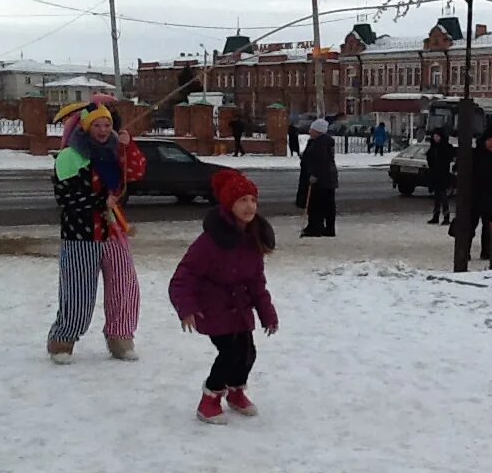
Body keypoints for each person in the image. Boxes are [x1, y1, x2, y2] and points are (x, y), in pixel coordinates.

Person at [168, 169, 278, 425]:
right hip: (212, 307)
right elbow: (183, 277)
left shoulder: (252, 238)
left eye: (252, 200)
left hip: (239, 309)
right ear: (230, 204)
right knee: (230, 353)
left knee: (248, 353)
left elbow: (256, 282)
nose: (249, 206)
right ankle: (210, 398)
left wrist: (267, 314)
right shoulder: (209, 242)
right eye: (242, 200)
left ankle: (236, 391)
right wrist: (186, 309)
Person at [46, 102, 147, 365]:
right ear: (86, 126)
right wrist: (101, 201)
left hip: (114, 232)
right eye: (98, 125)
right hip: (81, 235)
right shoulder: (71, 156)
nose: (103, 130)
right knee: (78, 291)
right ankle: (63, 339)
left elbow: (136, 172)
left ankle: (121, 337)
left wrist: (129, 145)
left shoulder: (116, 152)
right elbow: (66, 197)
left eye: (108, 125)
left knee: (125, 286)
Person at [468, 127, 492, 263]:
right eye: (489, 140)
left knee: (488, 226)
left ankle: (486, 252)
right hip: (475, 196)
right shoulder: (476, 154)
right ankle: (465, 250)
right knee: (470, 225)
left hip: (490, 197)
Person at [299, 118, 339, 237]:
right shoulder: (319, 142)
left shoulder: (320, 143)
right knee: (327, 204)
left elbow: (321, 161)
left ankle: (315, 228)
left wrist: (314, 175)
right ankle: (325, 228)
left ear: (318, 131)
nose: (310, 131)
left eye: (312, 129)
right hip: (327, 179)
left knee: (317, 204)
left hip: (321, 180)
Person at [426, 127, 455, 226]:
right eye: (434, 136)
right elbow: (430, 159)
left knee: (443, 195)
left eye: (437, 136)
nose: (436, 138)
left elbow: (449, 158)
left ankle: (446, 216)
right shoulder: (433, 148)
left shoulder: (446, 147)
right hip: (435, 174)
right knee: (437, 196)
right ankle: (436, 215)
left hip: (443, 175)